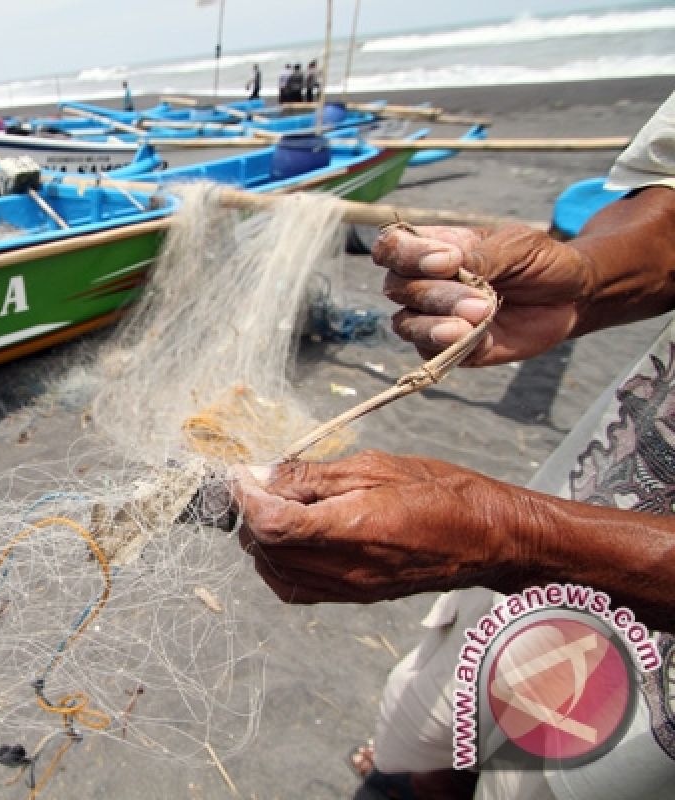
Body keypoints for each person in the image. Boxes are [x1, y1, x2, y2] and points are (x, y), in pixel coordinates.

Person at [231, 91, 675, 798]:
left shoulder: (511, 533)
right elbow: (670, 201)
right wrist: (584, 282)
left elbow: (512, 536)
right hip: (556, 527)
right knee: (434, 730)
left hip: (644, 736)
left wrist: (514, 536)